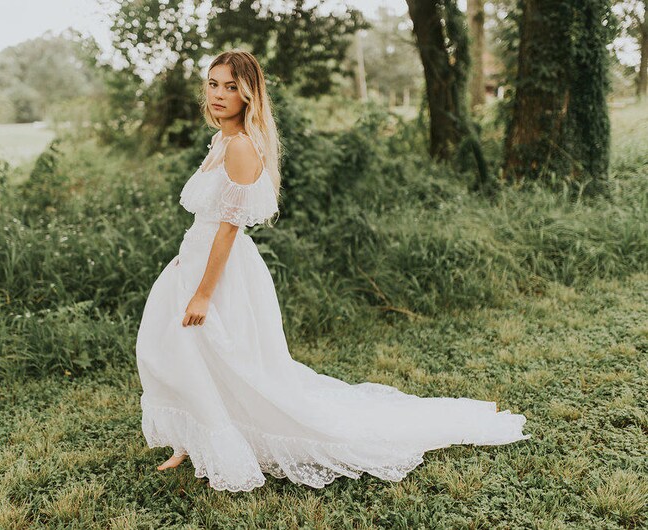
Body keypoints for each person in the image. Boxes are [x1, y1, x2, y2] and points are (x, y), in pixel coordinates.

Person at [135, 49, 530, 492]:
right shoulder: (221, 141)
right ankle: (193, 438)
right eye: (213, 84)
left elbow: (228, 230)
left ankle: (219, 440)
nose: (219, 94)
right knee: (182, 352)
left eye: (231, 87)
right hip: (193, 258)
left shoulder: (243, 146)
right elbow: (206, 222)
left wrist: (204, 292)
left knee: (225, 357)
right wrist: (185, 259)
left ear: (249, 95)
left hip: (219, 271)